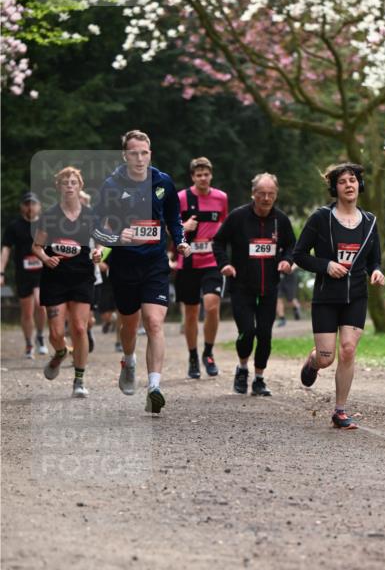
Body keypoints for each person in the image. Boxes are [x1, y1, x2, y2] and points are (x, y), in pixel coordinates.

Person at [92, 130, 191, 413]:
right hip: (124, 264)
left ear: (150, 154)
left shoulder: (163, 181)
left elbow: (174, 217)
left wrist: (181, 241)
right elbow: (97, 225)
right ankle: (129, 359)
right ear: (125, 155)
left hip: (155, 263)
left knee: (154, 322)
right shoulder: (111, 185)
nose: (139, 158)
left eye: (144, 153)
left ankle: (154, 386)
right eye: (134, 153)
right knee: (129, 324)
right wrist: (107, 242)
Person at [293, 162, 385, 429]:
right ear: (335, 188)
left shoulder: (369, 222)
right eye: (343, 181)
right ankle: (312, 362)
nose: (349, 185)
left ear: (360, 186)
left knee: (347, 350)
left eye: (353, 180)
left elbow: (374, 261)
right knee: (326, 358)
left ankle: (340, 411)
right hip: (326, 297)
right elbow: (299, 255)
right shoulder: (321, 218)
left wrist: (376, 272)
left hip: (356, 295)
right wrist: (326, 265)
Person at [212, 172, 295, 396]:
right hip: (241, 286)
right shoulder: (238, 217)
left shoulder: (281, 220)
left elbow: (291, 246)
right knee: (247, 331)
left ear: (276, 195)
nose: (266, 198)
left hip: (269, 286)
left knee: (265, 334)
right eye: (262, 193)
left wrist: (287, 261)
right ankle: (242, 369)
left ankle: (259, 378)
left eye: (271, 194)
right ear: (253, 194)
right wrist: (225, 264)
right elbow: (218, 241)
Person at [31, 167, 96, 396]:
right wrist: (46, 258)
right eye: (65, 182)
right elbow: (36, 247)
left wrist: (99, 254)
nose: (69, 185)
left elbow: (103, 243)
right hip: (55, 278)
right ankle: (60, 353)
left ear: (80, 186)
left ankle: (79, 380)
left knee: (79, 327)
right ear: (58, 187)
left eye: (73, 182)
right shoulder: (49, 216)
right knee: (56, 333)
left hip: (81, 276)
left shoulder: (90, 214)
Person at [176, 156, 228, 379]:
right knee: (191, 313)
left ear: (211, 175)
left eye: (206, 174)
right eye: (199, 175)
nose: (203, 178)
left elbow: (225, 225)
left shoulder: (221, 198)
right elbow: (170, 227)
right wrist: (184, 226)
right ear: (193, 177)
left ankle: (208, 352)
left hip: (212, 261)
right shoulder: (182, 198)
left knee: (212, 306)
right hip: (188, 262)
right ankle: (193, 356)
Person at [0, 191, 47, 357]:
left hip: (42, 272)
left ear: (39, 206)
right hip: (23, 274)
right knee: (27, 311)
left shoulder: (45, 224)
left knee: (40, 304)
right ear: (22, 206)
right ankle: (29, 343)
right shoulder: (14, 227)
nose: (30, 207)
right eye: (27, 203)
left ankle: (40, 336)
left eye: (33, 203)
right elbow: (5, 250)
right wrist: (1, 271)